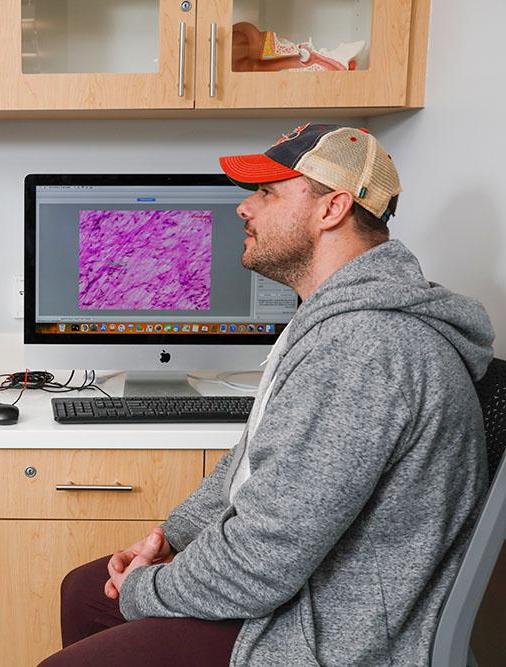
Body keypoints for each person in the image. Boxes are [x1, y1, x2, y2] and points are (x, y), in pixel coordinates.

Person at [40, 124, 495, 666]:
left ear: (332, 209)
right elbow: (254, 462)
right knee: (86, 590)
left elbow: (261, 560)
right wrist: (174, 538)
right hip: (297, 588)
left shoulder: (366, 347)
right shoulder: (333, 323)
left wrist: (146, 589)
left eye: (267, 192)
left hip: (327, 630)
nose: (243, 209)